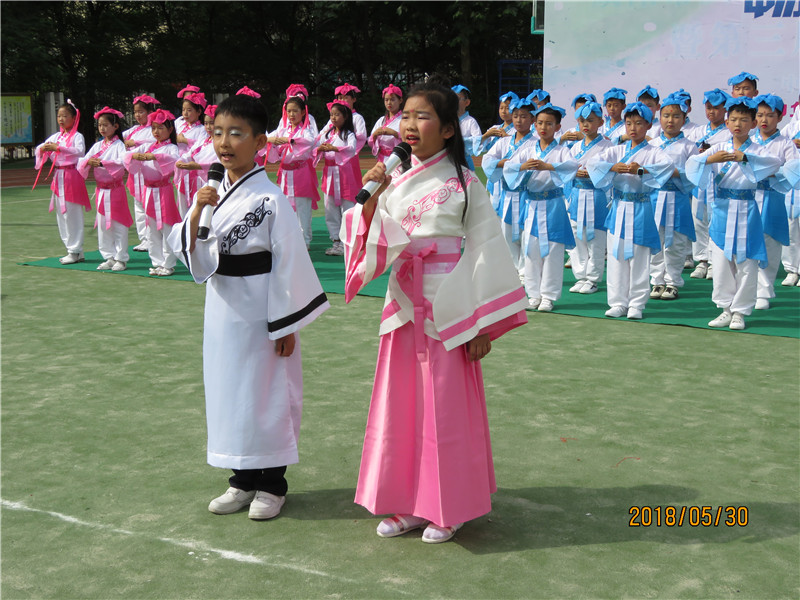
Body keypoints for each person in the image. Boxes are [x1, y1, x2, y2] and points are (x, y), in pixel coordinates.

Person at [341, 78, 528, 544]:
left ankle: (449, 507)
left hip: (450, 302)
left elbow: (486, 249)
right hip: (403, 300)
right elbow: (368, 235)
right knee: (401, 403)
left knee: (444, 407)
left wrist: (483, 321)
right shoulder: (391, 177)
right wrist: (370, 201)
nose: (409, 124)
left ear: (448, 129)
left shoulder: (466, 182)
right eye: (405, 115)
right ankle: (405, 502)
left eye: (421, 116)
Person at [169, 94, 329, 520]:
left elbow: (289, 264)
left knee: (265, 394)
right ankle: (241, 479)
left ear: (260, 141)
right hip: (222, 309)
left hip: (262, 312)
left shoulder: (271, 199)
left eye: (237, 133)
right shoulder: (212, 191)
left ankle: (272, 485)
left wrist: (286, 325)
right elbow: (188, 249)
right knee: (229, 392)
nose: (225, 142)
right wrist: (197, 210)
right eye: (218, 132)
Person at [685, 97, 780, 330]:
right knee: (720, 261)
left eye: (745, 120)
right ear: (727, 122)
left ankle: (740, 311)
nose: (738, 124)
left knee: (747, 262)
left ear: (753, 124)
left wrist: (745, 157)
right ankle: (725, 309)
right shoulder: (718, 147)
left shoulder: (758, 150)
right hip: (722, 209)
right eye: (734, 119)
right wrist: (709, 159)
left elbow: (774, 164)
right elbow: (692, 165)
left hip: (747, 209)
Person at [587, 102, 674, 320]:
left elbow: (667, 168)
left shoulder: (655, 152)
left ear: (648, 125)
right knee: (616, 256)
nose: (633, 128)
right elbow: (593, 164)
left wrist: (642, 170)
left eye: (638, 123)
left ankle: (636, 303)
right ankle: (617, 302)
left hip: (641, 207)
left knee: (639, 256)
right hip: (618, 207)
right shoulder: (615, 150)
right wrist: (612, 167)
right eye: (628, 124)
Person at [504, 103, 577, 312]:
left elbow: (571, 167)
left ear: (558, 126)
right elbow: (510, 168)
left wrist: (549, 166)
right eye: (541, 123)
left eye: (549, 123)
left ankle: (548, 296)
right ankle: (533, 294)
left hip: (553, 204)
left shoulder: (562, 151)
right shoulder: (526, 150)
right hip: (532, 205)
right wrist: (521, 167)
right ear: (535, 125)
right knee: (531, 249)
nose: (544, 127)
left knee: (553, 250)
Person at [647, 94, 698, 300]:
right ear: (659, 117)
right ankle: (656, 280)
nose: (670, 120)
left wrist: (675, 173)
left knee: (675, 241)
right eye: (666, 115)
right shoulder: (651, 144)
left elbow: (694, 173)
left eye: (676, 116)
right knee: (655, 240)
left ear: (684, 118)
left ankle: (673, 281)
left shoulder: (689, 146)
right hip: (654, 197)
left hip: (677, 198)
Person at [750, 94, 798, 308]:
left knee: (770, 243)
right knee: (750, 242)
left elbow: (793, 169)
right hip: (749, 198)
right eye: (760, 115)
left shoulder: (786, 144)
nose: (764, 120)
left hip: (773, 198)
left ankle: (765, 290)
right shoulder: (750, 141)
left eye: (770, 115)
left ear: (780, 117)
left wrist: (769, 172)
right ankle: (749, 288)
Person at [480, 95, 536, 276]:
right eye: (516, 116)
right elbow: (487, 160)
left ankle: (525, 271)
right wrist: (504, 164)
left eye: (524, 116)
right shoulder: (504, 141)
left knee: (525, 234)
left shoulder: (536, 143)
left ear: (532, 119)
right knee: (507, 232)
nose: (519, 120)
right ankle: (512, 269)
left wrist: (506, 164)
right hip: (507, 193)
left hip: (526, 194)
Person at [123, 109, 181, 276]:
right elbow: (126, 156)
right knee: (152, 227)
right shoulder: (148, 146)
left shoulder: (171, 148)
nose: (156, 131)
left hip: (163, 190)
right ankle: (157, 261)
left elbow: (174, 160)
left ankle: (169, 263)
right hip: (148, 190)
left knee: (167, 226)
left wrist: (154, 158)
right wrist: (136, 156)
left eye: (160, 128)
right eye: (154, 128)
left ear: (170, 130)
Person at [34, 100, 91, 264]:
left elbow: (79, 152)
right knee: (62, 213)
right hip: (59, 177)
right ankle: (75, 250)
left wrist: (59, 148)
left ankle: (74, 249)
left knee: (72, 213)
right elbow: (40, 147)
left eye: (65, 116)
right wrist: (44, 148)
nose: (61, 119)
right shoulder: (57, 136)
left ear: (74, 118)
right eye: (59, 116)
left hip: (72, 175)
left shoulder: (77, 136)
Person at [566, 101, 613, 294]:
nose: (586, 125)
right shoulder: (575, 146)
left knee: (596, 236)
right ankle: (581, 275)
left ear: (601, 122)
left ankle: (593, 278)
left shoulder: (608, 146)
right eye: (582, 121)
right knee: (578, 235)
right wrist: (574, 173)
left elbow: (611, 171)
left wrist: (593, 174)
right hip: (577, 194)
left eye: (591, 121)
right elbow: (566, 168)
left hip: (596, 196)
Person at [77, 106, 132, 272]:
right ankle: (108, 256)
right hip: (101, 190)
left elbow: (122, 162)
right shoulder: (98, 145)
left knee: (118, 223)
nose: (102, 128)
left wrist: (101, 163)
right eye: (100, 125)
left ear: (115, 126)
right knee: (102, 224)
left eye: (106, 125)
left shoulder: (119, 145)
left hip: (115, 190)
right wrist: (89, 162)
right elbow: (83, 160)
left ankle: (121, 258)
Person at [686, 88, 732, 279]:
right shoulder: (698, 131)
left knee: (716, 221)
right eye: (708, 108)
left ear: (725, 109)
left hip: (719, 183)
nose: (712, 112)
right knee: (699, 221)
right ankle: (701, 260)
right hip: (701, 183)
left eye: (716, 108)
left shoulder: (730, 131)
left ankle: (714, 261)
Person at [266, 94, 320, 249]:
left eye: (295, 111)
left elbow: (309, 142)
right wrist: (272, 141)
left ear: (303, 112)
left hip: (301, 172)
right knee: (286, 208)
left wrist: (289, 141)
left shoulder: (306, 130)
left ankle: (304, 241)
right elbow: (267, 139)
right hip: (285, 174)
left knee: (302, 209)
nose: (291, 115)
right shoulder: (282, 129)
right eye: (289, 111)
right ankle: (289, 239)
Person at [314, 99, 359, 256]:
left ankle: (350, 242)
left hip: (344, 174)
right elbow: (315, 149)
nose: (333, 118)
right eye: (331, 115)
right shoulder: (327, 134)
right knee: (330, 208)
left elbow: (351, 149)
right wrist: (320, 149)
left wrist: (336, 148)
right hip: (329, 173)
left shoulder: (348, 134)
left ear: (345, 117)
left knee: (347, 208)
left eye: (337, 114)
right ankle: (336, 241)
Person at [124, 94, 159, 252]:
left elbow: (156, 142)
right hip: (135, 173)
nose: (138, 115)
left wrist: (136, 143)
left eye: (141, 112)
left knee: (149, 205)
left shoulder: (155, 127)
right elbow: (119, 138)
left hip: (149, 171)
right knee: (138, 206)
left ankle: (154, 237)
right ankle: (144, 238)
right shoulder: (134, 130)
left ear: (150, 111)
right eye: (136, 112)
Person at [174, 104, 217, 219]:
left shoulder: (222, 142)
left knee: (207, 214)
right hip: (197, 180)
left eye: (212, 123)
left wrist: (198, 166)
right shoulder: (204, 140)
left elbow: (219, 163)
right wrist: (181, 160)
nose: (208, 127)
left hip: (211, 182)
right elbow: (191, 153)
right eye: (206, 123)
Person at [369, 84, 404, 164]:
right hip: (382, 159)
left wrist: (394, 133)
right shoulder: (381, 120)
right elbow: (371, 140)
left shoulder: (404, 119)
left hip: (397, 159)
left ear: (400, 100)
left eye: (392, 99)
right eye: (386, 100)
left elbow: (407, 140)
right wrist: (375, 135)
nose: (389, 103)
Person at [452, 84, 482, 170]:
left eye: (457, 99)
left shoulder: (471, 121)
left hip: (465, 162)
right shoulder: (447, 120)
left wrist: (460, 141)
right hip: (448, 162)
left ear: (467, 102)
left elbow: (477, 140)